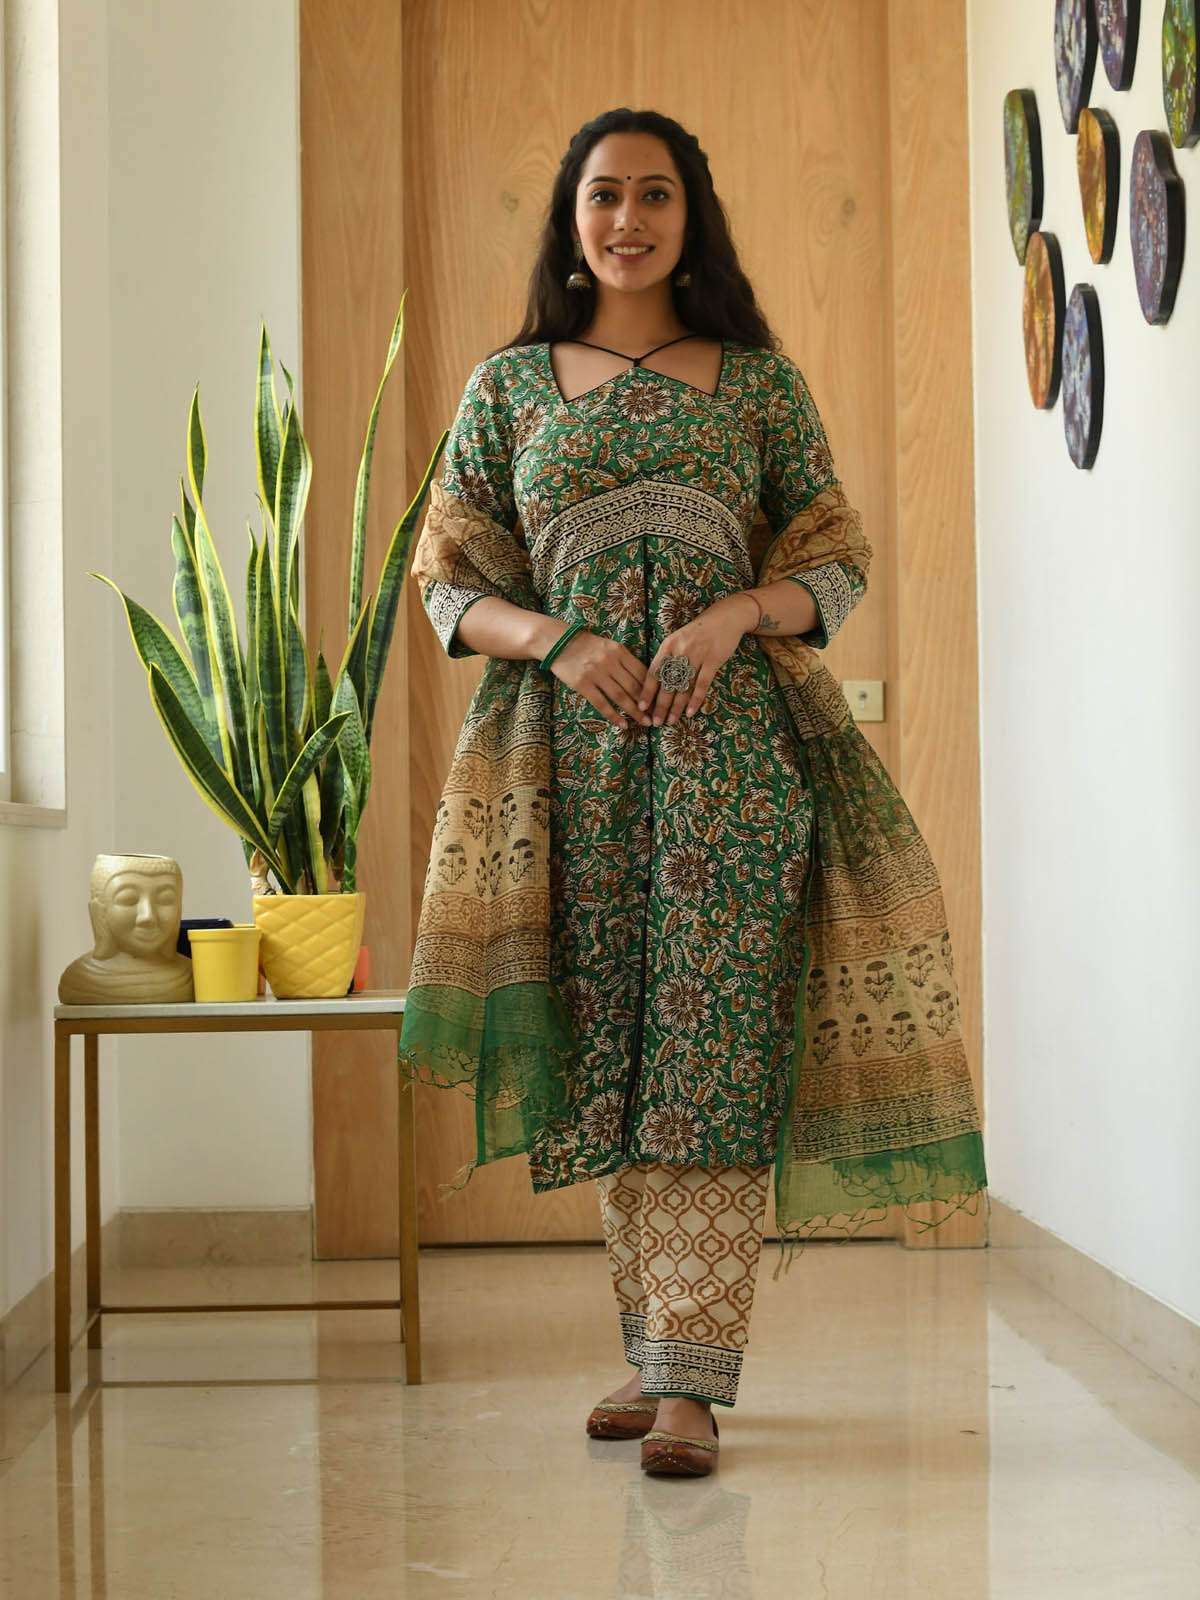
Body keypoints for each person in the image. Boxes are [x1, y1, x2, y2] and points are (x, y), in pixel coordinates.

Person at [398, 108, 988, 1478]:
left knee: (711, 1050)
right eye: (604, 195)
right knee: (608, 1049)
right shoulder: (508, 389)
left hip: (736, 771)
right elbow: (448, 581)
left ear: (691, 215)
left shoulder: (761, 387)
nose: (628, 220)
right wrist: (561, 640)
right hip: (566, 772)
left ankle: (691, 1388)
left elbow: (834, 560)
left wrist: (735, 614)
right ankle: (657, 1346)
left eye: (655, 195)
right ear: (572, 218)